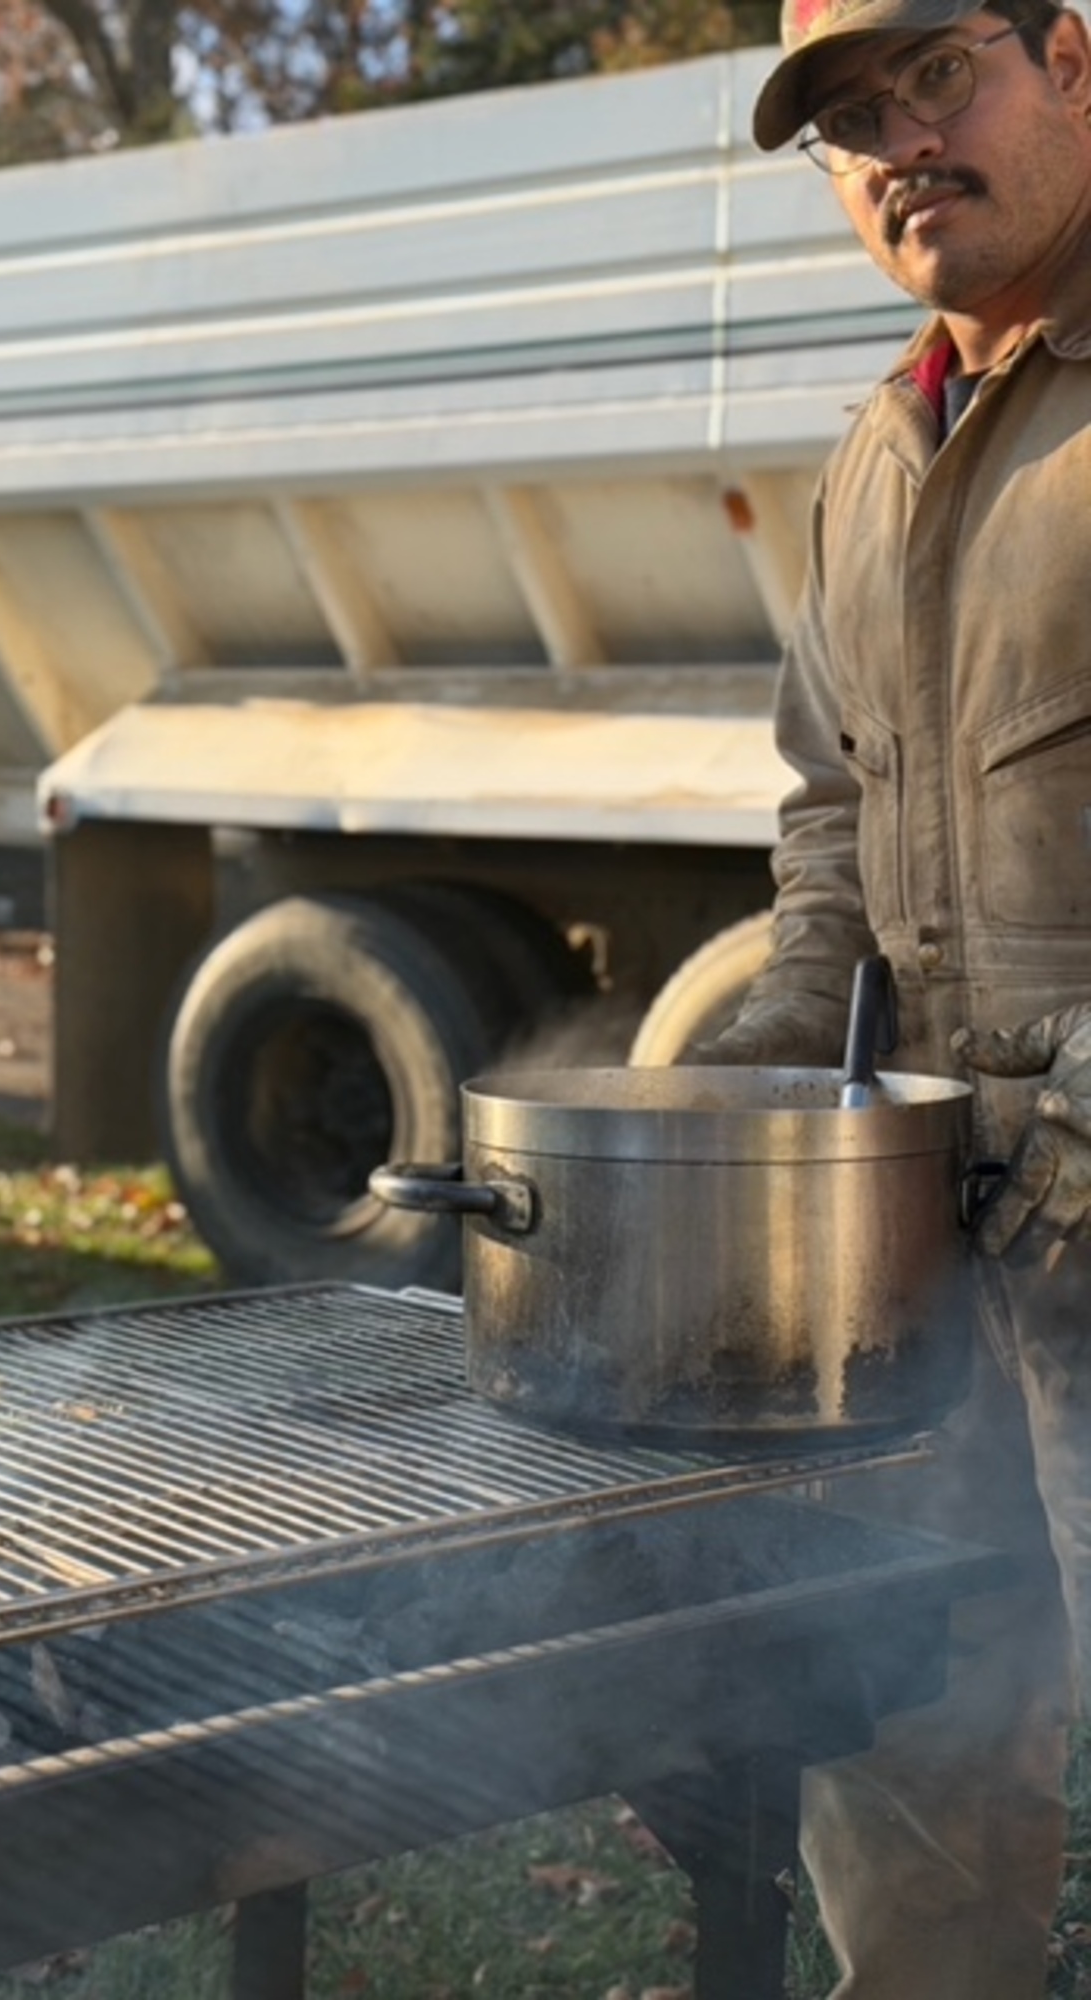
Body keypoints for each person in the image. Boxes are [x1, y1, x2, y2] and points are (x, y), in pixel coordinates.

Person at [699, 0, 1091, 1991]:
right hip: (930, 1251)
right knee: (914, 1740)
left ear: (1075, 61)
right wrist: (767, 1076)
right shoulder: (878, 453)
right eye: (848, 120)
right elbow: (832, 810)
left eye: (936, 75)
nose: (893, 143)